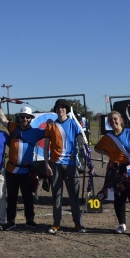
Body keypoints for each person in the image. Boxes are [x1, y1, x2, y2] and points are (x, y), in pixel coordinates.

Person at [94, 111, 130, 238]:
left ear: (121, 120)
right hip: (113, 172)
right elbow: (96, 148)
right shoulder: (107, 137)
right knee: (117, 198)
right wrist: (107, 154)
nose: (113, 122)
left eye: (115, 119)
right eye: (110, 120)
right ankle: (121, 224)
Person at [0, 99, 44, 230]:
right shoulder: (13, 128)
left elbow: (52, 131)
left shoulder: (36, 132)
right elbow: (2, 118)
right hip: (11, 170)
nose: (24, 119)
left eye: (27, 117)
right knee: (11, 197)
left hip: (26, 172)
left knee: (28, 197)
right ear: (19, 117)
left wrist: (54, 121)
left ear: (31, 119)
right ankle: (11, 221)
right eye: (22, 117)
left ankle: (30, 220)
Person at [44, 99, 88, 234]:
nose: (60, 110)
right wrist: (46, 164)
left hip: (71, 165)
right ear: (55, 110)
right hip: (55, 165)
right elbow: (46, 147)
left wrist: (84, 150)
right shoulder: (51, 126)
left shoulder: (73, 123)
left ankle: (78, 224)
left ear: (67, 110)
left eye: (63, 108)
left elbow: (80, 140)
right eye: (58, 107)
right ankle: (56, 223)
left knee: (74, 196)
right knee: (56, 195)